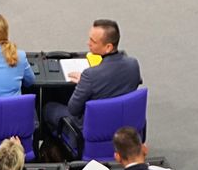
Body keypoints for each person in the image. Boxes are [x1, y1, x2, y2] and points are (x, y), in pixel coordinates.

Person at [43, 19, 141, 153]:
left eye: (93, 41)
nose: (88, 43)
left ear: (108, 47)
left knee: (48, 108)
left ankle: (53, 152)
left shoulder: (90, 75)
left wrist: (84, 82)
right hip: (122, 124)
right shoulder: (133, 64)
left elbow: (73, 109)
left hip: (92, 129)